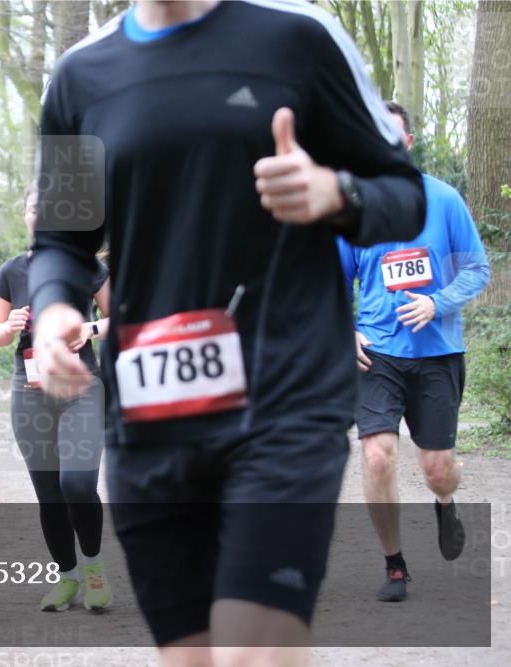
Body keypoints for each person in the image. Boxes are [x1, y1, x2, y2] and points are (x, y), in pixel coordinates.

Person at [28, 1, 426, 665]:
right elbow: (62, 243)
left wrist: (333, 191)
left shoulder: (296, 37)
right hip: (152, 411)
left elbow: (404, 193)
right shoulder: (82, 76)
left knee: (253, 650)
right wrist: (50, 310)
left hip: (285, 395)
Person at [338, 101, 490, 602]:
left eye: (391, 134)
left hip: (438, 354)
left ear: (407, 142)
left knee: (437, 468)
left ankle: (445, 502)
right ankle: (395, 565)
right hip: (376, 353)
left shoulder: (444, 200)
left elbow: (477, 270)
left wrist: (436, 301)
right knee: (378, 456)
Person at [0, 183, 113, 613]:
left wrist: (89, 329)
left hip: (82, 388)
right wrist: (10, 328)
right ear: (24, 215)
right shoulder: (10, 271)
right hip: (30, 391)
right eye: (33, 209)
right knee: (48, 492)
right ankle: (66, 578)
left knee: (76, 482)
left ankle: (95, 569)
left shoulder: (86, 267)